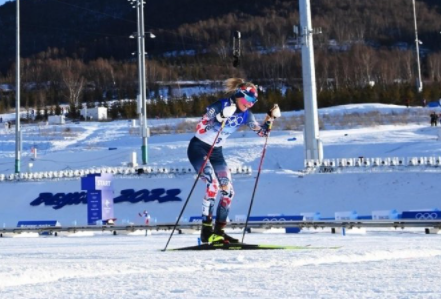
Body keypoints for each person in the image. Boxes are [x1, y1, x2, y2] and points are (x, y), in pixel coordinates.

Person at [187, 78, 280, 244]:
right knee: (213, 185)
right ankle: (206, 232)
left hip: (216, 152)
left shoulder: (246, 115)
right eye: (249, 99)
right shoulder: (220, 105)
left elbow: (262, 133)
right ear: (239, 95)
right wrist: (220, 117)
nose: (250, 104)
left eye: (254, 101)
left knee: (228, 192)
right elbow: (200, 128)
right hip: (199, 148)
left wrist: (270, 119)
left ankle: (219, 232)